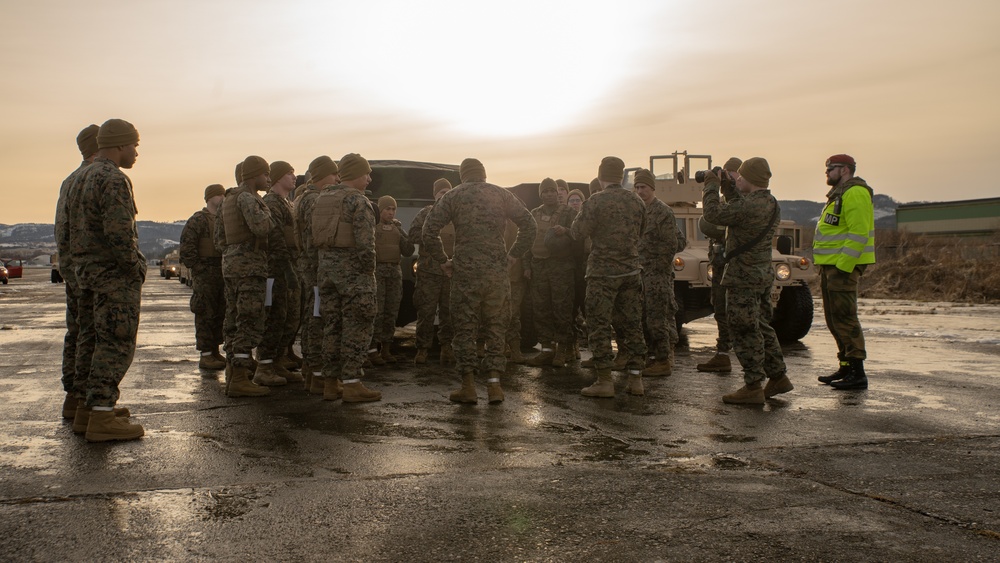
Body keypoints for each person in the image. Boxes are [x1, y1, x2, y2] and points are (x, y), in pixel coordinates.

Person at [423, 158, 536, 404]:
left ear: (463, 175)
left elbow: (428, 230)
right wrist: (514, 255)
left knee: (465, 329)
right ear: (484, 174)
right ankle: (495, 386)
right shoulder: (501, 195)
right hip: (496, 273)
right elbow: (529, 224)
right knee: (496, 327)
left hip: (465, 274)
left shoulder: (453, 196)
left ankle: (469, 386)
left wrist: (443, 259)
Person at [64, 118, 145, 441]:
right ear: (121, 145)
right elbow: (119, 233)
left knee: (90, 340)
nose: (136, 152)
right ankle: (101, 414)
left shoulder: (81, 177)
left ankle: (86, 408)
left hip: (87, 274)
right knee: (115, 341)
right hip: (112, 276)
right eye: (134, 145)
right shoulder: (112, 178)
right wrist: (134, 266)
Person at [702, 158, 792, 404]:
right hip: (760, 275)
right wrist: (729, 188)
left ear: (750, 179)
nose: (737, 178)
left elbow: (712, 214)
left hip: (743, 277)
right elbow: (740, 208)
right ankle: (777, 376)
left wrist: (710, 185)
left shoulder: (751, 206)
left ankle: (753, 385)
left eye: (740, 176)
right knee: (762, 325)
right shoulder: (769, 202)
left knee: (743, 327)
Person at [570, 157, 647, 397]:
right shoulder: (637, 201)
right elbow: (641, 232)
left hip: (603, 274)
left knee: (599, 324)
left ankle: (604, 381)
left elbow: (577, 232)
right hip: (631, 272)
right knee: (632, 324)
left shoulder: (595, 201)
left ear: (601, 176)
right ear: (622, 176)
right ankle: (636, 380)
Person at [312, 153, 381, 402]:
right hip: (354, 275)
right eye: (367, 173)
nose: (369, 178)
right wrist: (369, 271)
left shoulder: (323, 198)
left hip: (326, 272)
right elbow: (366, 244)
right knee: (357, 327)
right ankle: (352, 383)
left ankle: (331, 383)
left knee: (332, 326)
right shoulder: (357, 201)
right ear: (356, 174)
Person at [814, 154, 875, 390]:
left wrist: (843, 266)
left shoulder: (855, 193)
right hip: (831, 267)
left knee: (845, 318)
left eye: (831, 168)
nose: (827, 172)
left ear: (845, 170)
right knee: (833, 319)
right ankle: (846, 366)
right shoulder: (838, 194)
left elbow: (858, 233)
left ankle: (858, 373)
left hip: (842, 268)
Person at [216, 155, 274, 397]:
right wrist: (269, 216)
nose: (268, 179)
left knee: (232, 319)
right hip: (249, 267)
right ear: (254, 176)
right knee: (249, 320)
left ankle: (232, 370)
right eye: (265, 174)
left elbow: (218, 238)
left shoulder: (227, 200)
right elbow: (262, 228)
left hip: (230, 265)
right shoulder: (249, 199)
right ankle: (240, 377)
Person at [55, 124, 100, 421]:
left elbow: (61, 230)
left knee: (77, 331)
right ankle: (86, 400)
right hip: (92, 271)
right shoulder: (92, 178)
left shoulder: (70, 180)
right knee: (93, 334)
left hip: (74, 269)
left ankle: (73, 397)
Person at [255, 161, 304, 386]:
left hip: (289, 267)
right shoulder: (272, 203)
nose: (294, 177)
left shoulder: (287, 203)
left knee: (287, 317)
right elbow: (275, 239)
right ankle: (264, 366)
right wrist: (285, 267)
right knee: (273, 317)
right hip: (276, 269)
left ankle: (276, 361)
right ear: (276, 178)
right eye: (289, 173)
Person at [295, 156, 339, 394]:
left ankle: (312, 372)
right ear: (322, 175)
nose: (337, 179)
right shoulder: (314, 200)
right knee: (318, 320)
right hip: (316, 267)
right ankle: (318, 373)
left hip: (309, 267)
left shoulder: (303, 198)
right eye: (333, 174)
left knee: (313, 317)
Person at [696, 157, 743, 374]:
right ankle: (723, 353)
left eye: (731, 174)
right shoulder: (726, 203)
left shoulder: (743, 201)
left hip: (739, 266)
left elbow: (711, 221)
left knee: (742, 314)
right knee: (720, 308)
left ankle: (751, 362)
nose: (727, 177)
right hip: (720, 262)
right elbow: (706, 223)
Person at [524, 178, 577, 367]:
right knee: (541, 309)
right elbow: (527, 240)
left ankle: (563, 349)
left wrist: (567, 231)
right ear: (540, 194)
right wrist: (527, 266)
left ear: (557, 193)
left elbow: (580, 234)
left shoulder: (569, 213)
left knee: (562, 309)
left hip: (561, 267)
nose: (548, 194)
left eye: (551, 191)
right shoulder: (534, 213)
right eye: (544, 191)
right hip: (538, 267)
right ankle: (546, 349)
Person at [634, 168, 680, 377]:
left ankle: (663, 360)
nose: (640, 191)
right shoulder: (637, 210)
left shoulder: (662, 211)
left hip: (657, 274)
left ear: (652, 188)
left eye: (643, 187)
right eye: (637, 187)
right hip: (640, 272)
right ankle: (652, 357)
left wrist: (658, 270)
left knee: (657, 318)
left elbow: (671, 244)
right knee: (643, 317)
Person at [179, 184, 228, 371]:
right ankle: (206, 354)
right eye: (218, 194)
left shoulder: (223, 220)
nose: (222, 197)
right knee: (205, 313)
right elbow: (187, 248)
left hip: (221, 271)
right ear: (209, 198)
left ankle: (215, 350)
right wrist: (199, 268)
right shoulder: (198, 220)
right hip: (205, 274)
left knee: (220, 313)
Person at [408, 178, 456, 365]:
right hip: (428, 271)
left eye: (447, 192)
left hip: (450, 272)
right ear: (434, 195)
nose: (444, 195)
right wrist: (430, 234)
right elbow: (412, 234)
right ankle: (422, 349)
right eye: (441, 192)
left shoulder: (456, 215)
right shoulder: (426, 213)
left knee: (448, 313)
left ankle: (446, 348)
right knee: (426, 312)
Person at [371, 195, 415, 364]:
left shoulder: (397, 228)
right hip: (378, 272)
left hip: (394, 273)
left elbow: (409, 250)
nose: (390, 212)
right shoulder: (373, 227)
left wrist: (401, 230)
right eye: (387, 209)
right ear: (380, 210)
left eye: (393, 209)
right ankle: (373, 350)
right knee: (378, 312)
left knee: (391, 312)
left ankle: (386, 349)